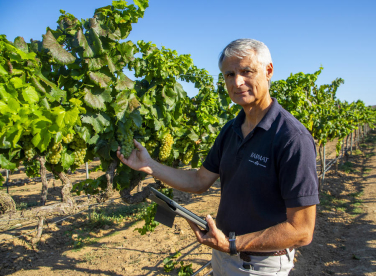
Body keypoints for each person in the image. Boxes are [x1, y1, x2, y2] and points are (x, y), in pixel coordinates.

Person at [117, 38, 319, 275]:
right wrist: (150, 165)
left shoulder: (291, 137)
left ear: (269, 71)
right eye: (229, 74)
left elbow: (302, 230)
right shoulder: (231, 129)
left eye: (246, 71)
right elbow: (199, 180)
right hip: (223, 256)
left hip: (260, 265)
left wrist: (232, 244)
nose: (237, 82)